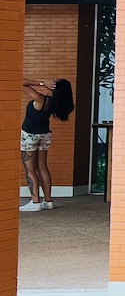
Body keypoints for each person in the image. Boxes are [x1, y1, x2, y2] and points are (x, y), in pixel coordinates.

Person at [20, 77, 74, 213]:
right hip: (44, 135)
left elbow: (19, 81)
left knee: (30, 168)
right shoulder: (54, 103)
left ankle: (35, 201)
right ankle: (48, 201)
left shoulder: (40, 99)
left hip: (30, 135)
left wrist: (42, 83)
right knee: (42, 166)